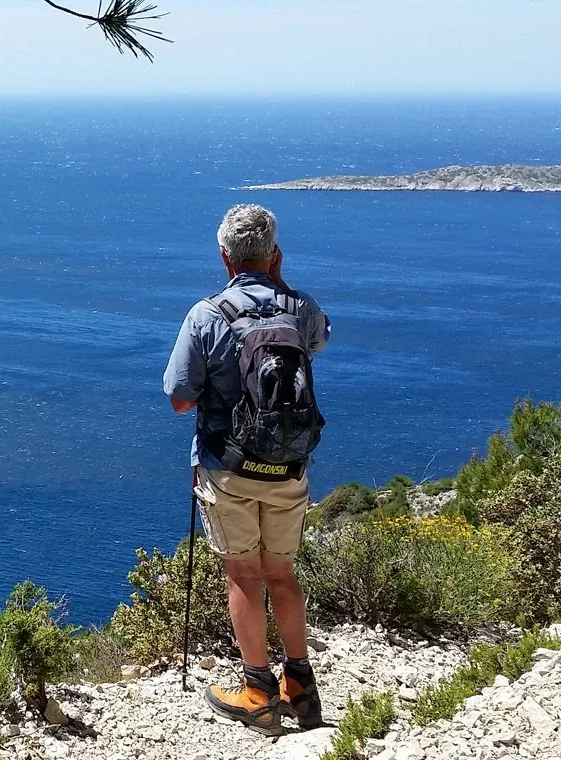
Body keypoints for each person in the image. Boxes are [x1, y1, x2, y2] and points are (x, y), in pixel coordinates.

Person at [162, 203, 331, 734]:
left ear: (223, 255)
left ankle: (257, 689)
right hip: (289, 469)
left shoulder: (207, 315)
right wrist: (281, 285)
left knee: (243, 573)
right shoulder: (299, 308)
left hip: (228, 468)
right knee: (282, 573)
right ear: (274, 252)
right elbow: (321, 340)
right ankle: (300, 685)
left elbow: (179, 400)